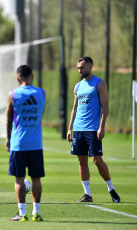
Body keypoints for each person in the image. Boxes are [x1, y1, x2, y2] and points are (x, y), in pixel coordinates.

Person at [67, 56, 120, 203]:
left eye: (82, 67)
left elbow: (105, 107)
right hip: (78, 129)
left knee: (97, 160)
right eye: (78, 68)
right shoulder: (78, 86)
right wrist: (70, 128)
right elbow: (74, 108)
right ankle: (87, 194)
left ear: (90, 67)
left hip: (92, 129)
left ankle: (111, 189)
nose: (80, 70)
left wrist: (102, 127)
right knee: (81, 161)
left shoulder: (99, 83)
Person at [5, 65, 45, 222]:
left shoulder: (13, 94)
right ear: (32, 77)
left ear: (17, 78)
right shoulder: (42, 93)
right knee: (36, 179)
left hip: (19, 143)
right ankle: (37, 213)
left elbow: (9, 119)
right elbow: (40, 115)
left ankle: (22, 214)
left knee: (19, 179)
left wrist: (8, 139)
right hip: (36, 143)